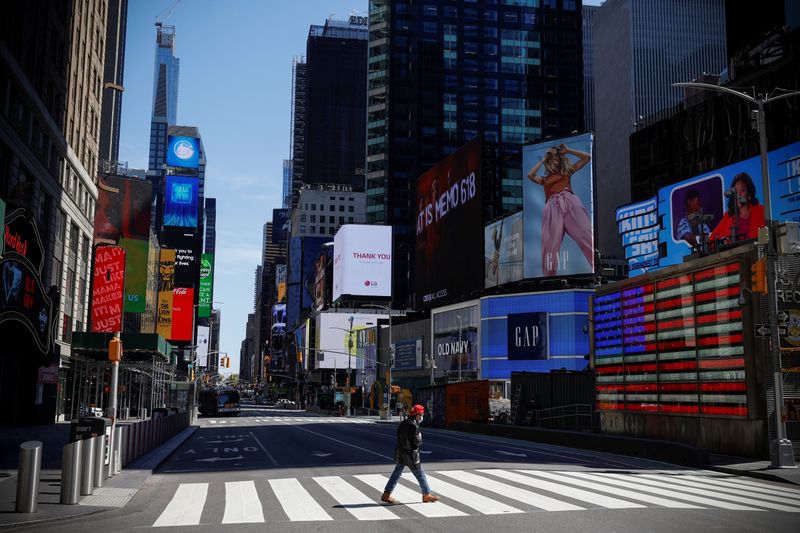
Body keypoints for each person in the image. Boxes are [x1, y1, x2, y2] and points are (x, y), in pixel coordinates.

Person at [527, 143, 593, 276]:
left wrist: (568, 150)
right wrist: (543, 160)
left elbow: (587, 157)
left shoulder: (567, 172)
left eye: (556, 155)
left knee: (584, 232)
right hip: (552, 206)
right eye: (552, 156)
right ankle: (549, 278)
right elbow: (530, 174)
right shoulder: (544, 180)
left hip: (569, 200)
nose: (554, 157)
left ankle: (596, 265)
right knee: (550, 244)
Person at [381, 404, 440, 504]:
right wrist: (420, 437)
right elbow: (416, 442)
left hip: (401, 452)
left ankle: (386, 494)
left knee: (397, 473)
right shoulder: (413, 425)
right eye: (421, 414)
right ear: (417, 415)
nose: (421, 417)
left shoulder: (403, 423)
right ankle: (426, 495)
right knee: (420, 474)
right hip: (411, 454)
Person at [709, 172, 765, 244]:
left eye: (742, 190)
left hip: (758, 253)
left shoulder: (761, 211)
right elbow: (711, 241)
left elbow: (765, 240)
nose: (738, 195)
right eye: (735, 191)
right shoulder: (728, 217)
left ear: (749, 191)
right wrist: (724, 244)